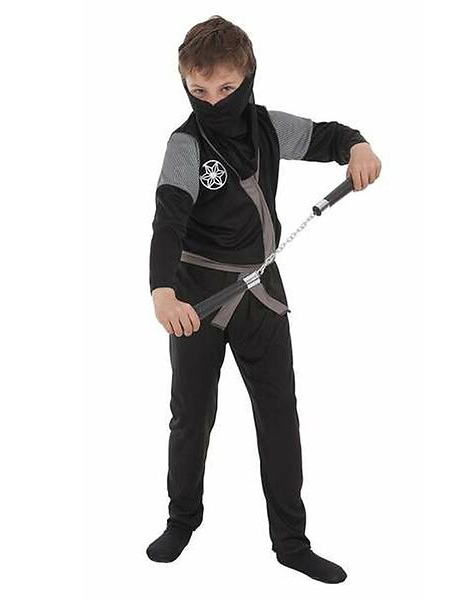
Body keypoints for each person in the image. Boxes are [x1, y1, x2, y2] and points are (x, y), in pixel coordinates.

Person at [146, 15, 381, 584]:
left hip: (262, 294)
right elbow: (168, 220)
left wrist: (358, 146)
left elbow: (330, 136)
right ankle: (182, 520)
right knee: (191, 416)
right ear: (185, 83)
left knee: (279, 416)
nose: (213, 101)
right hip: (196, 301)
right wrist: (162, 291)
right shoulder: (185, 145)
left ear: (248, 76)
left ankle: (291, 543)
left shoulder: (269, 128)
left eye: (226, 88)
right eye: (199, 90)